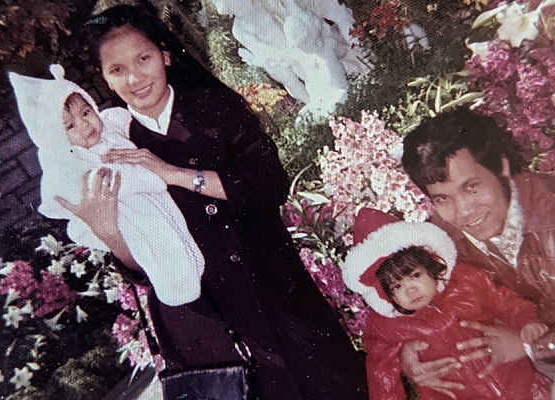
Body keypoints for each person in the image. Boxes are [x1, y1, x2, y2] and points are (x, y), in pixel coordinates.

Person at [74, 4, 368, 399]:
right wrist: (110, 235)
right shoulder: (110, 145)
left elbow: (269, 184)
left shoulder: (215, 107)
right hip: (207, 319)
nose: (134, 78)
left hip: (274, 287)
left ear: (164, 53)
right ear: (105, 79)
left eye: (143, 58)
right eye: (117, 70)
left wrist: (174, 175)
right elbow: (145, 269)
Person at [9, 64, 204, 307]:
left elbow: (121, 118)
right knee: (156, 241)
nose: (85, 125)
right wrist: (152, 178)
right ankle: (178, 287)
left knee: (172, 228)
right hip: (125, 213)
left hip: (148, 200)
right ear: (54, 137)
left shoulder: (108, 131)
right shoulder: (67, 164)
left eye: (85, 112)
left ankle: (189, 274)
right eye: (70, 126)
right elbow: (84, 191)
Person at [400, 107, 555, 397]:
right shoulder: (440, 244)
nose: (463, 211)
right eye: (443, 198)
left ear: (501, 166)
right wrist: (407, 355)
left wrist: (529, 347)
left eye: (471, 187)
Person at [342, 207, 551, 399]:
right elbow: (380, 372)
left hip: (521, 383)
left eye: (415, 275)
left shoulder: (466, 282)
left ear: (432, 266)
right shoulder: (387, 326)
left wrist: (526, 322)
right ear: (384, 294)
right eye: (397, 287)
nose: (410, 289)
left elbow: (504, 300)